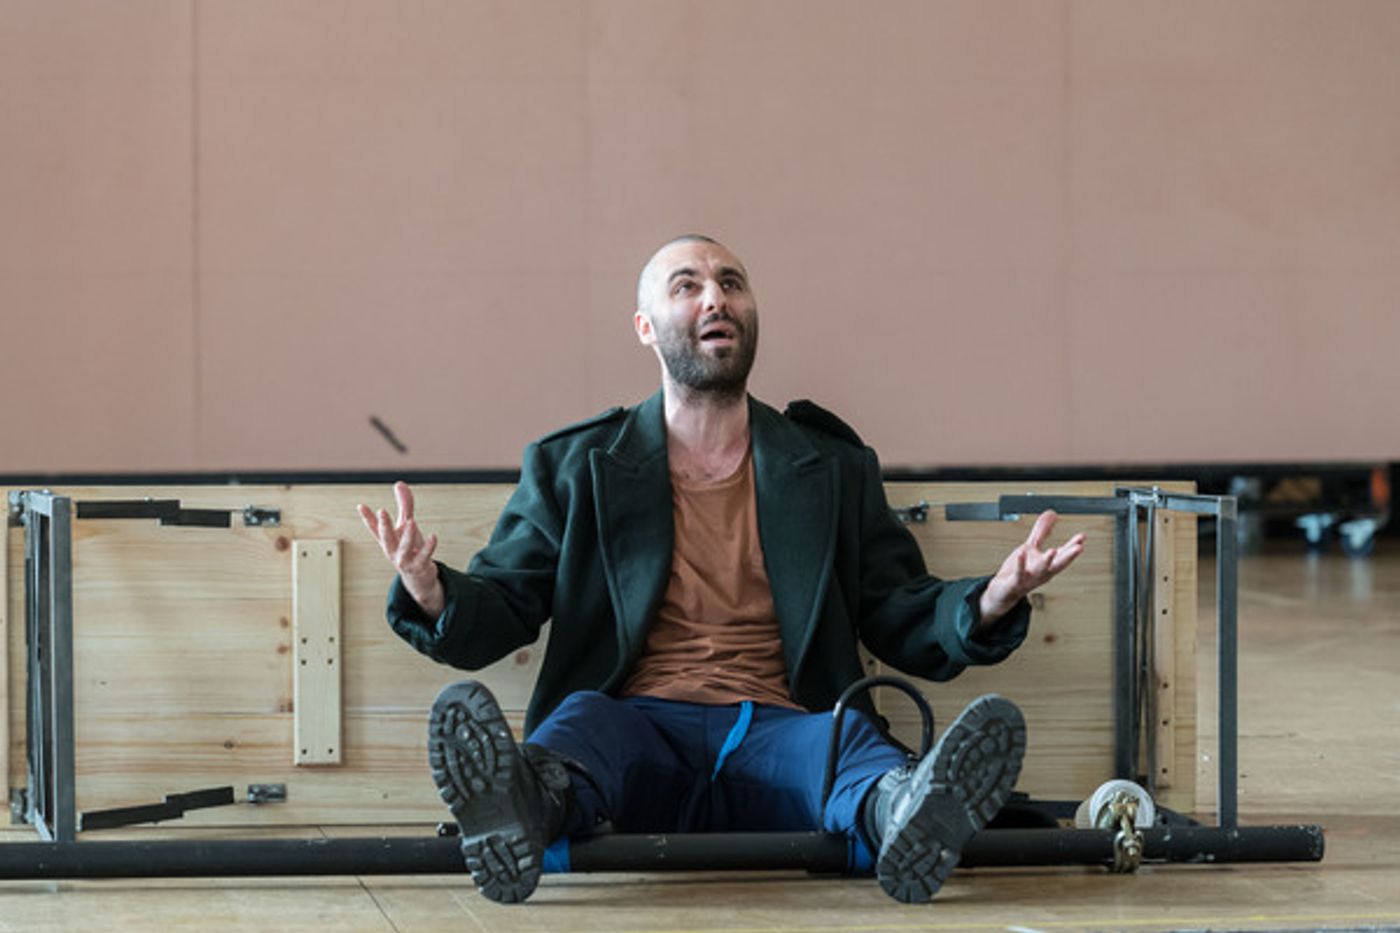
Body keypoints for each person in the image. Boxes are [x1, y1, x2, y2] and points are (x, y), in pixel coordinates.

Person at [358, 235, 1085, 904]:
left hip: (783, 726)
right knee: (578, 729)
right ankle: (520, 808)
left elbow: (897, 607)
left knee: (851, 745)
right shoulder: (576, 466)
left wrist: (990, 599)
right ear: (645, 327)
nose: (716, 297)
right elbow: (506, 604)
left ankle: (908, 813)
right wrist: (430, 589)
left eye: (731, 282)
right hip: (638, 728)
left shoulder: (829, 464)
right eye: (687, 285)